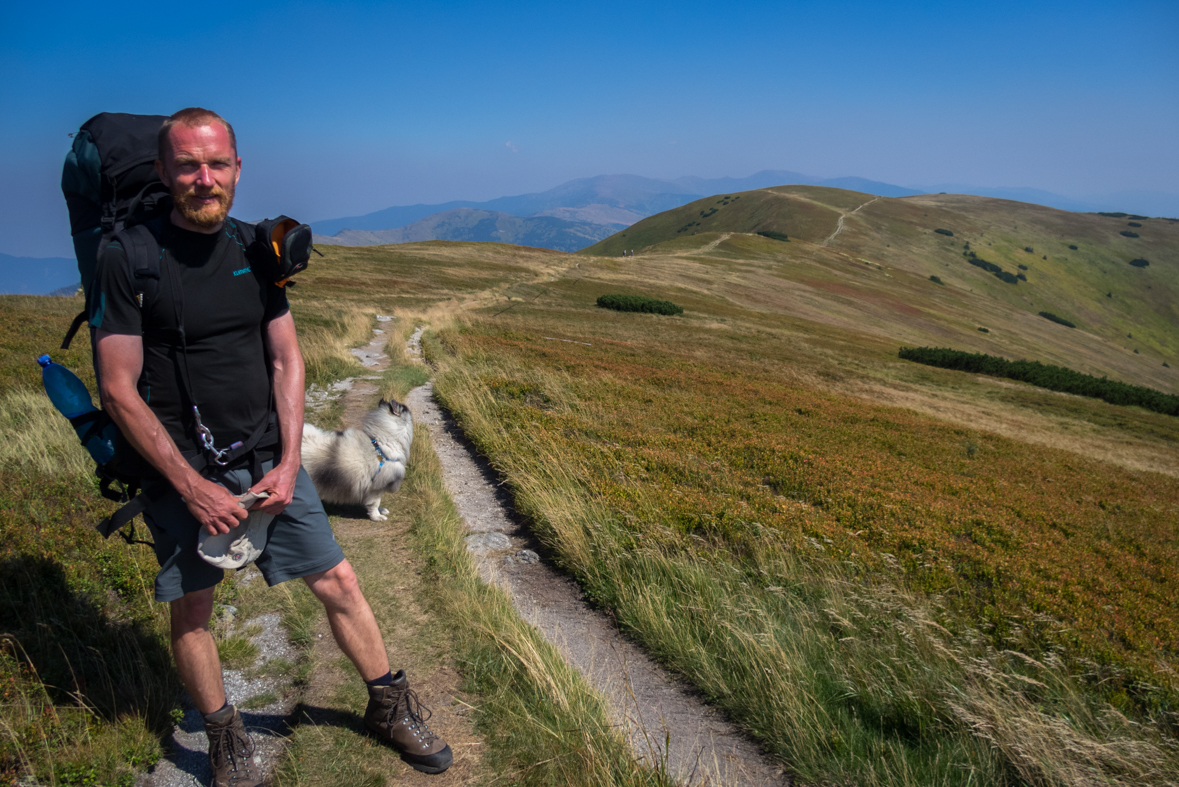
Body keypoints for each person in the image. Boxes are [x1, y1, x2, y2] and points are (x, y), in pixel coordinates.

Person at [92, 108, 451, 786]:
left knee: (339, 581)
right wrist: (193, 487)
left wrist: (289, 463)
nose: (204, 179)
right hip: (182, 474)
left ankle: (387, 704)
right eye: (189, 166)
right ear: (164, 171)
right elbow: (119, 389)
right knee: (194, 610)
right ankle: (226, 736)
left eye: (217, 164)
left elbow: (287, 362)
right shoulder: (128, 256)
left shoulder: (257, 250)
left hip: (266, 458)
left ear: (236, 168)